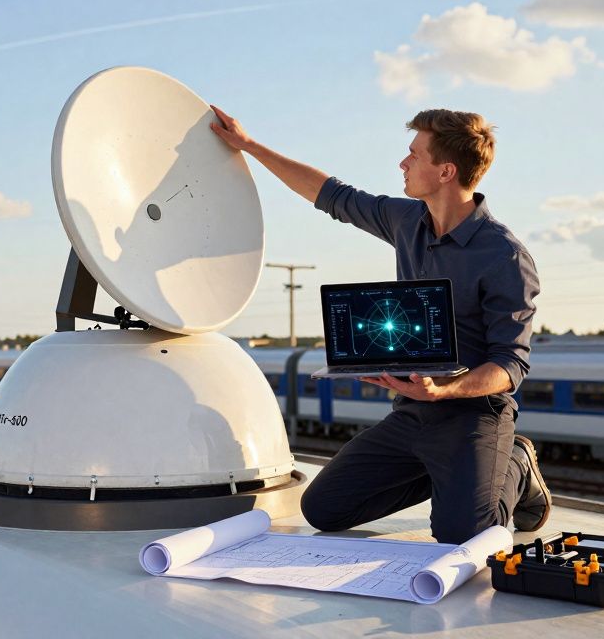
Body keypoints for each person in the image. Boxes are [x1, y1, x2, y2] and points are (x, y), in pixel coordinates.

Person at [209, 105, 551, 543]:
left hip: (473, 416)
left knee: (464, 537)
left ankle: (515, 463)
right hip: (412, 413)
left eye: (414, 154)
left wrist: (444, 389)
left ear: (445, 171)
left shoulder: (505, 256)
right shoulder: (406, 220)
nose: (402, 163)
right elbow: (330, 194)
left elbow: (510, 366)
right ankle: (453, 477)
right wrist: (249, 146)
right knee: (323, 509)